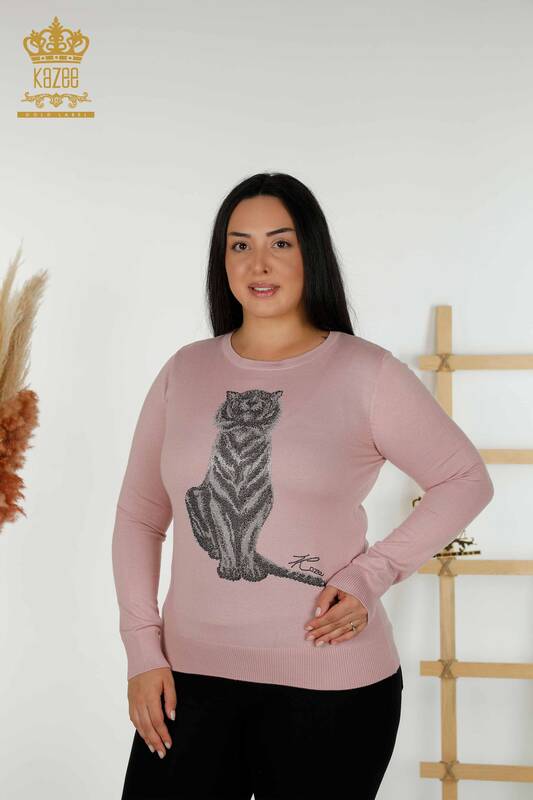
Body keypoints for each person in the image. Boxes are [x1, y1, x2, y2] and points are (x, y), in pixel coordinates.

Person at [111, 172, 494, 799]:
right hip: (186, 683)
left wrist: (369, 575)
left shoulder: (367, 373)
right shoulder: (185, 370)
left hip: (332, 690)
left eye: (280, 243)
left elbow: (465, 479)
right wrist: (141, 649)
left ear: (309, 253)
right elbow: (140, 516)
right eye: (240, 245)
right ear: (222, 259)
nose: (258, 264)